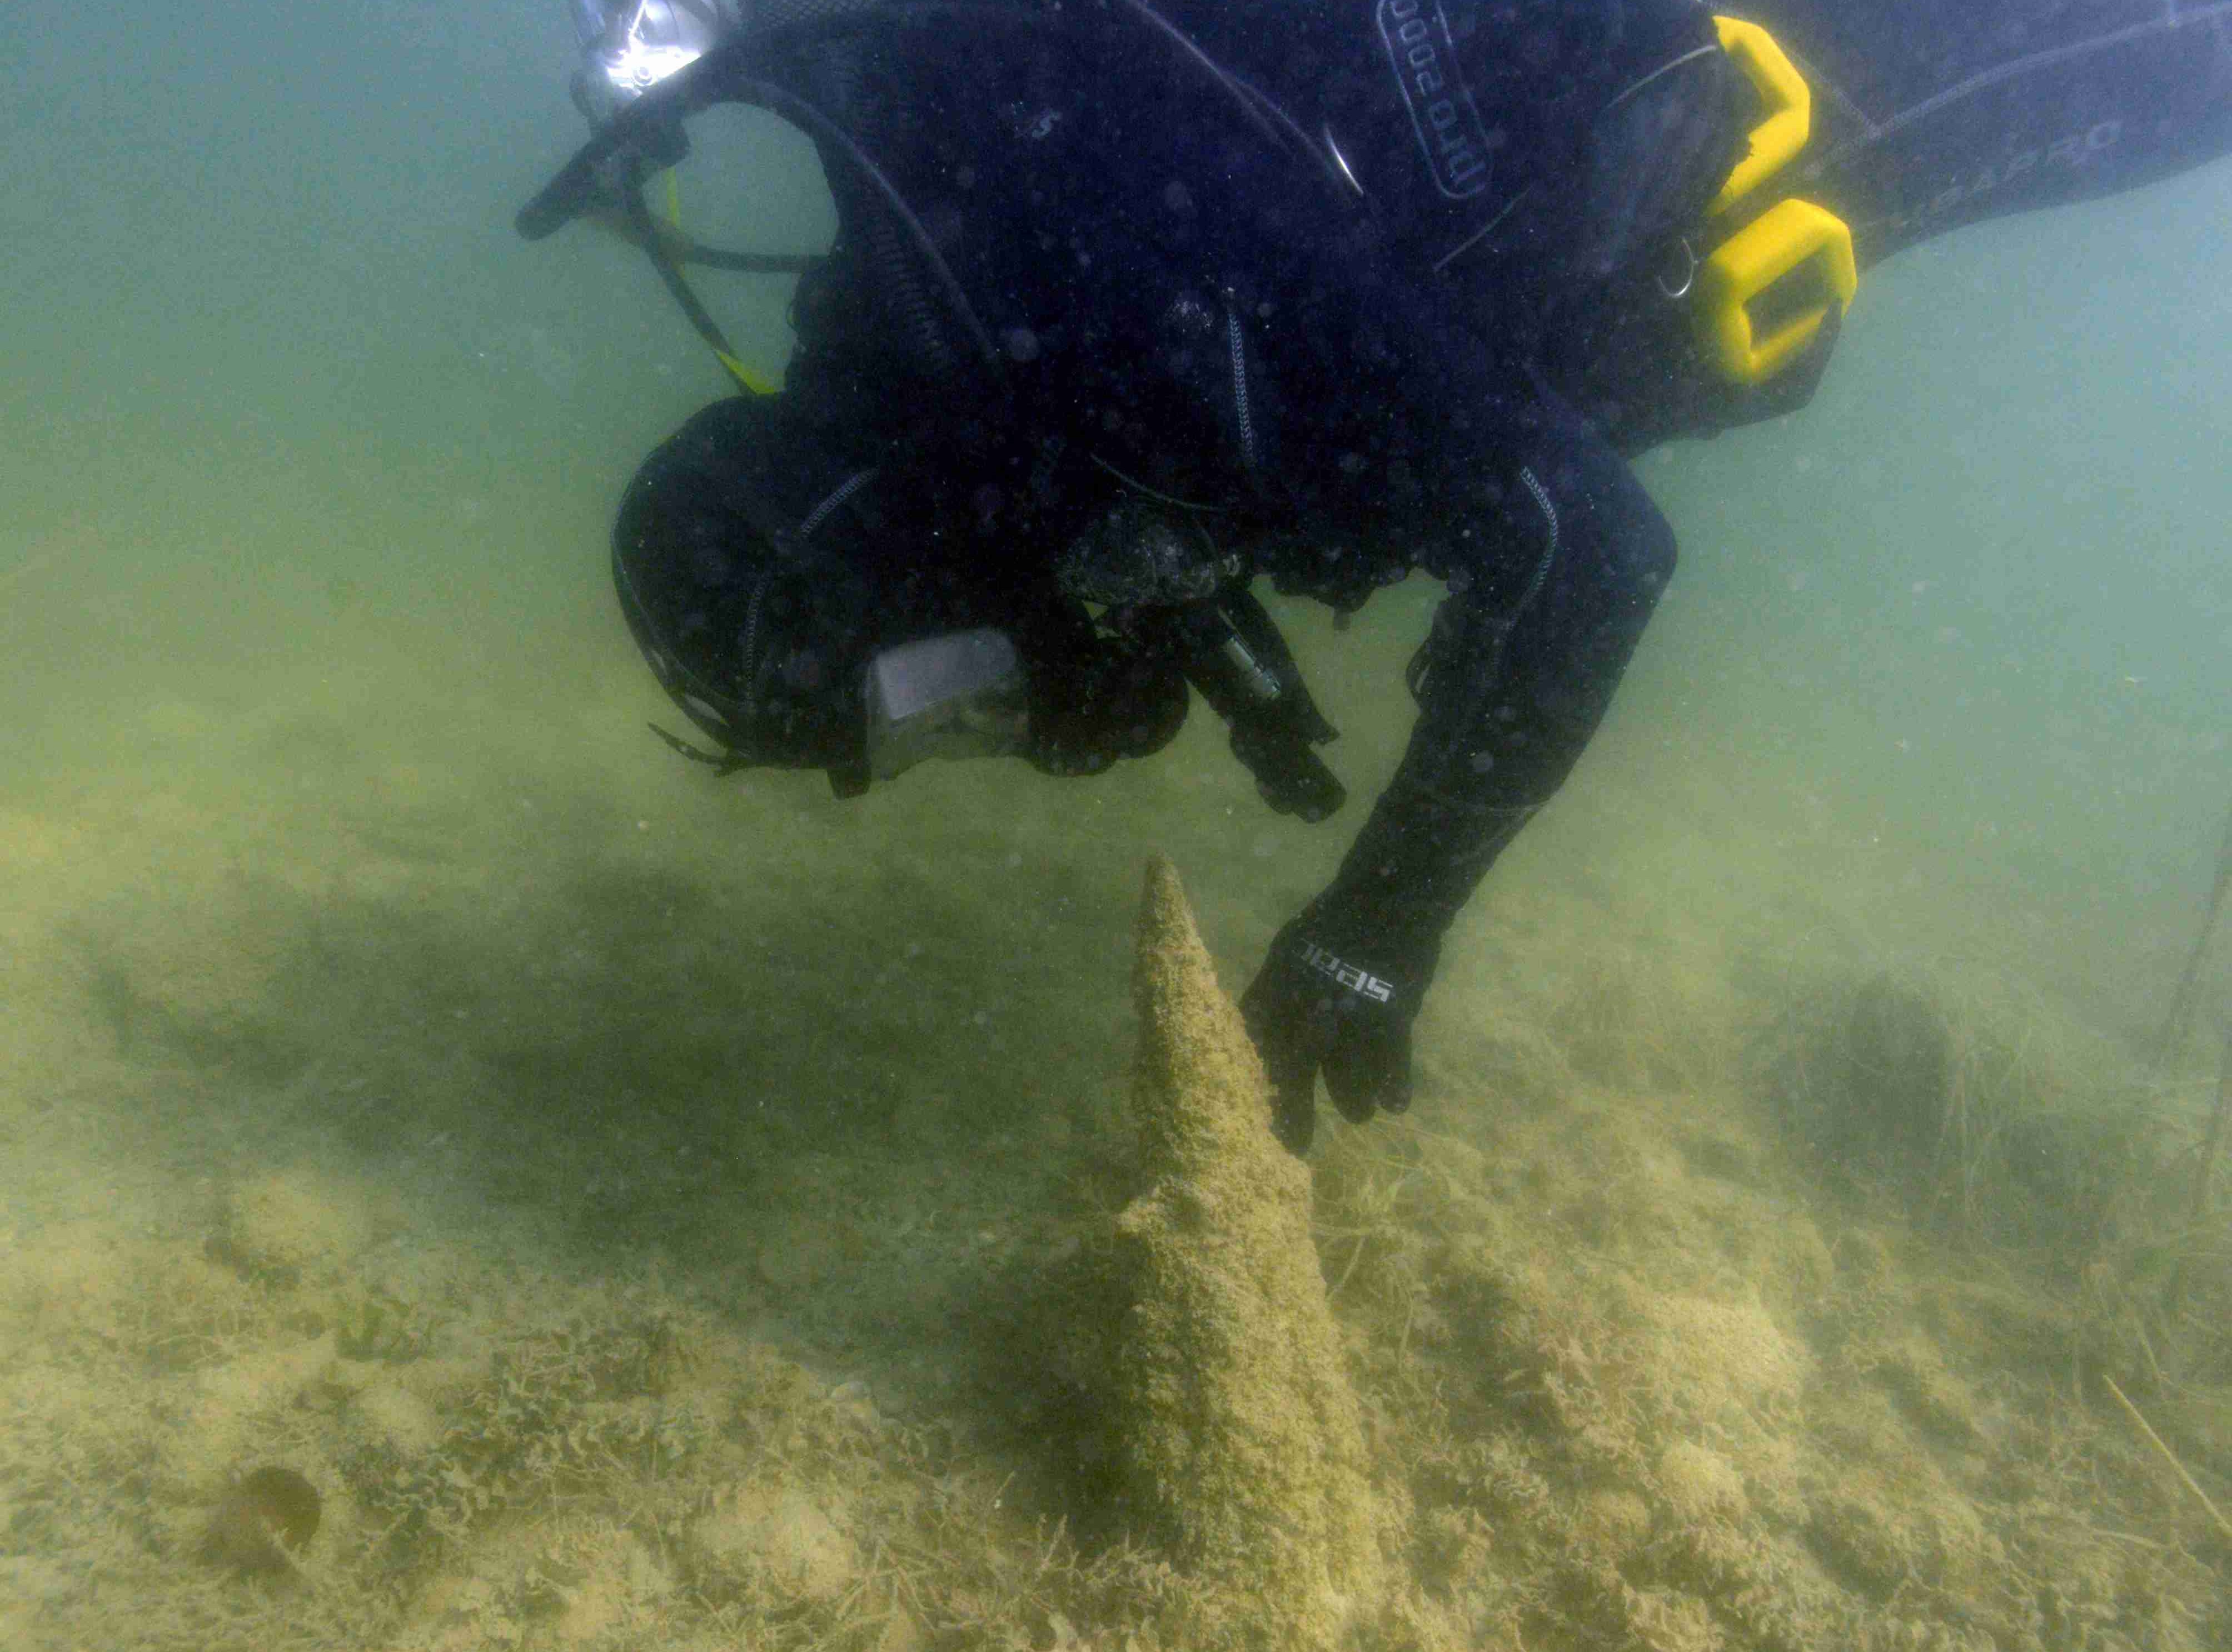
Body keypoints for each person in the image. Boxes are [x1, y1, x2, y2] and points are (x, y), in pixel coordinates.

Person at [520, 0, 2232, 1152]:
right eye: (916, 744)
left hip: (1739, 101)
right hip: (1443, 185)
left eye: (935, 699)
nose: (996, 728)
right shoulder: (964, 326)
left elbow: (1590, 553)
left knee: (2155, 61)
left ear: (900, 526)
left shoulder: (1145, 278)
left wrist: (1377, 931)